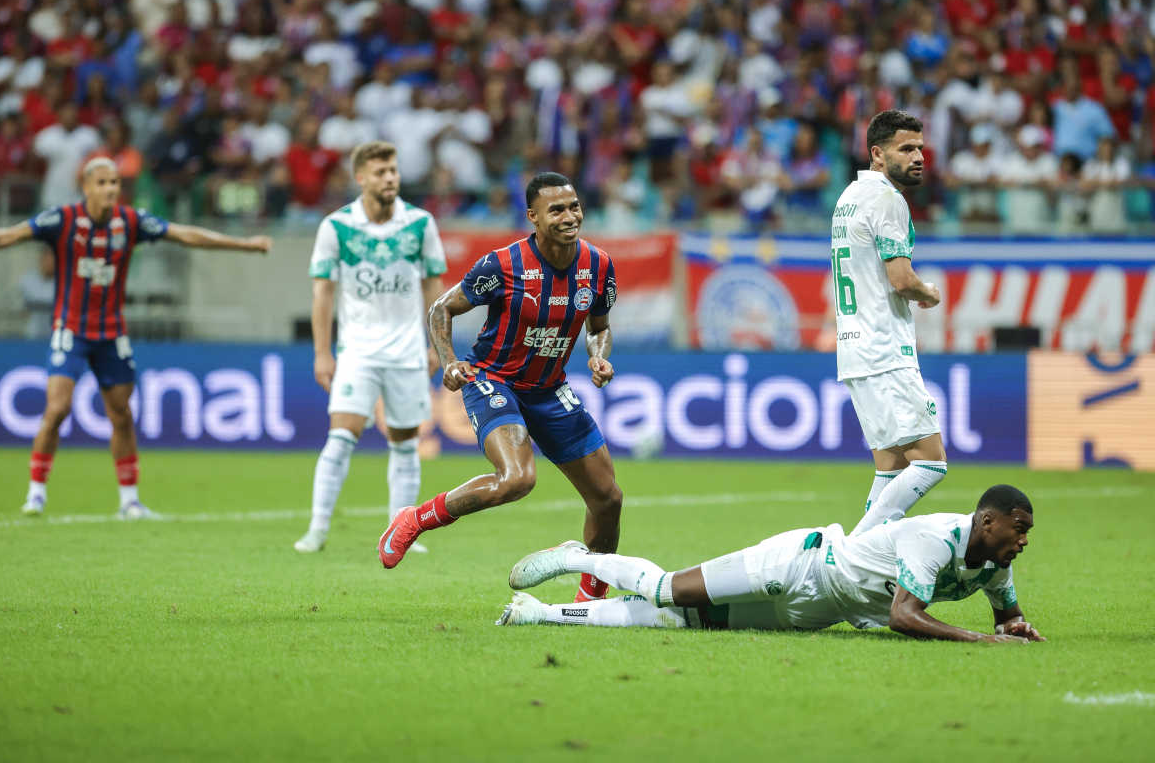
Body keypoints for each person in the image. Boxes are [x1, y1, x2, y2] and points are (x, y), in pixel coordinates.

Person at [0, 157, 272, 518]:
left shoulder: (131, 222)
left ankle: (130, 501)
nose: (110, 189)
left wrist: (245, 244)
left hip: (111, 334)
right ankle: (36, 494)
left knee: (121, 414)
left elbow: (185, 235)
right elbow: (4, 236)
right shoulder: (62, 220)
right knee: (57, 409)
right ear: (86, 187)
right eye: (102, 182)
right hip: (71, 331)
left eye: (115, 183)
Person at [379, 172, 622, 606]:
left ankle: (590, 599)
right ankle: (415, 519)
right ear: (533, 217)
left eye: (574, 206)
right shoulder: (503, 265)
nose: (570, 216)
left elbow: (598, 327)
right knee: (517, 479)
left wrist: (598, 356)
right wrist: (450, 362)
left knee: (608, 498)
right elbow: (441, 308)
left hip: (549, 388)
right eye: (557, 210)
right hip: (494, 380)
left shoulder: (598, 266)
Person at [500, 484, 1045, 644]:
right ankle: (577, 557)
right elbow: (905, 616)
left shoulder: (995, 566)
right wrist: (980, 641)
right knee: (669, 592)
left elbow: (1008, 617)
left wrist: (1014, 626)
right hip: (801, 563)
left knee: (682, 622)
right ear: (986, 521)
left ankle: (539, 614)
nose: (1022, 540)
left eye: (1026, 532)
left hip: (816, 613)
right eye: (1017, 528)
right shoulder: (934, 539)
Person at [295, 141, 448, 553]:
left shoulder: (420, 224)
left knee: (406, 443)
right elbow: (323, 293)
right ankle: (317, 529)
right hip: (357, 352)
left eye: (393, 170)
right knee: (341, 437)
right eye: (380, 172)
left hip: (408, 352)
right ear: (360, 178)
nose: (390, 178)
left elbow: (433, 287)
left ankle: (401, 533)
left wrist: (437, 344)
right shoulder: (337, 226)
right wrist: (322, 352)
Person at [830, 110, 946, 536]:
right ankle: (850, 554)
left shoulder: (849, 197)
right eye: (906, 148)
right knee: (931, 461)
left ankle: (856, 555)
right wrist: (928, 292)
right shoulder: (887, 200)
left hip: (855, 348)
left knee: (891, 467)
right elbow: (901, 279)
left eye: (920, 148)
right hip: (884, 350)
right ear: (877, 154)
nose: (918, 157)